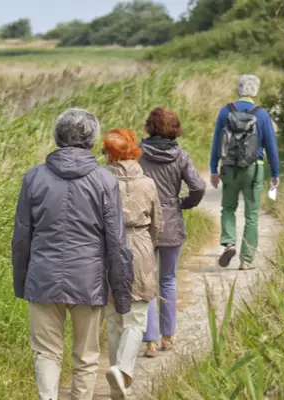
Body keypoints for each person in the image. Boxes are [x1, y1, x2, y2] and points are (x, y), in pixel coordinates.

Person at [11, 108, 133, 400]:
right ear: (92, 140)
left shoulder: (34, 178)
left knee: (45, 352)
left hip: (43, 276)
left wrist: (22, 282)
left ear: (56, 137)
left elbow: (21, 237)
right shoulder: (105, 181)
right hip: (88, 280)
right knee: (87, 356)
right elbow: (116, 242)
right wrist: (122, 292)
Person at [138, 107, 206, 358]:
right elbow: (198, 186)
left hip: (145, 225)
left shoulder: (139, 154)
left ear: (150, 127)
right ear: (176, 129)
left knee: (147, 282)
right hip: (172, 224)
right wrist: (183, 203)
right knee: (168, 280)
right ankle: (168, 336)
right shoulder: (181, 156)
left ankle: (151, 341)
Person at [101, 128, 163, 399]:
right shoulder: (148, 183)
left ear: (109, 155)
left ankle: (117, 374)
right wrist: (147, 244)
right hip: (139, 245)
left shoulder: (101, 182)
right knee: (136, 317)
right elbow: (157, 223)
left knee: (113, 317)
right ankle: (123, 371)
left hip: (108, 248)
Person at [208, 74, 280, 270]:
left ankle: (229, 242)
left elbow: (217, 142)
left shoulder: (226, 111)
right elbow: (271, 146)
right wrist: (275, 173)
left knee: (228, 208)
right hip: (253, 169)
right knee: (251, 215)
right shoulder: (262, 114)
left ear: (238, 90)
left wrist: (213, 169)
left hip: (229, 168)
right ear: (255, 92)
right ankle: (246, 260)